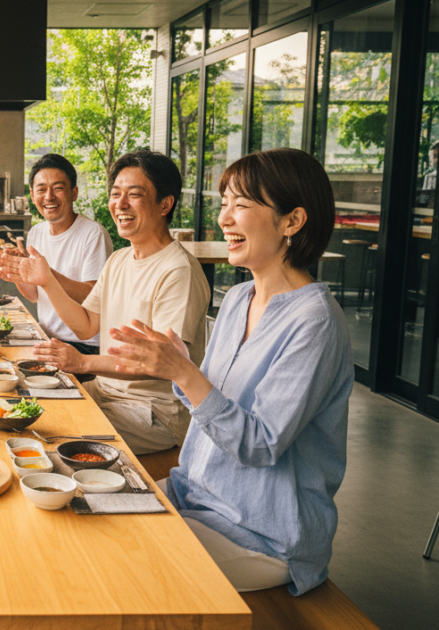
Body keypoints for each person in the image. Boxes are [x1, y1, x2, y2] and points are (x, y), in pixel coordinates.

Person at [107, 148, 353, 595]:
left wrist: (184, 374)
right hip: (195, 494)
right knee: (84, 513)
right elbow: (212, 401)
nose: (224, 219)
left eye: (241, 204)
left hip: (261, 531)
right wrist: (181, 365)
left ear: (292, 221)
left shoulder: (314, 322)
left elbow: (260, 444)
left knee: (121, 570)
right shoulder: (239, 299)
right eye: (224, 203)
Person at [14, 151, 209, 454]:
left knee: (55, 443)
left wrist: (82, 362)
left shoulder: (178, 270)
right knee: (25, 412)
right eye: (116, 194)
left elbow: (161, 363)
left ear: (165, 204)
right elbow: (85, 326)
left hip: (154, 412)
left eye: (134, 195)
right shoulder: (119, 259)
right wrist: (46, 281)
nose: (120, 204)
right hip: (105, 391)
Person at [0, 153, 112, 355]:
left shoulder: (93, 234)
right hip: (45, 336)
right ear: (32, 194)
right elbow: (35, 295)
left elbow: (93, 295)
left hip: (84, 346)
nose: (49, 197)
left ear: (74, 192)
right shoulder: (36, 232)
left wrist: (47, 275)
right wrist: (18, 274)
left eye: (58, 188)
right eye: (41, 189)